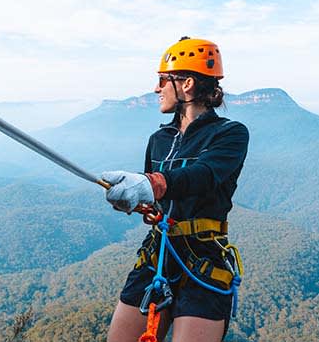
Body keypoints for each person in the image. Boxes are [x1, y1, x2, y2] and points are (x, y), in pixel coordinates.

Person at [102, 36, 249, 342]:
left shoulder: (230, 134)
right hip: (157, 254)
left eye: (162, 80)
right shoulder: (159, 139)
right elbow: (156, 199)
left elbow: (204, 175)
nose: (156, 89)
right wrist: (136, 198)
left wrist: (153, 184)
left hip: (204, 259)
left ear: (187, 85)